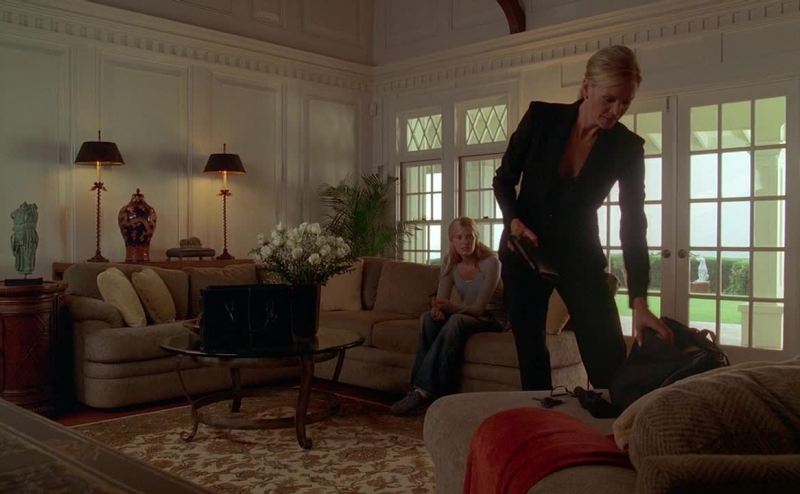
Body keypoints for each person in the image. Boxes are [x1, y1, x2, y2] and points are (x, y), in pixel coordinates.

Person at [493, 45, 673, 391]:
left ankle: (616, 423)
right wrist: (513, 221)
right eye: (610, 99)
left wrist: (639, 299)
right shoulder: (541, 118)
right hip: (524, 254)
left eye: (625, 103)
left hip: (580, 257)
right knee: (532, 362)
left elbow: (633, 224)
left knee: (609, 363)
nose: (616, 111)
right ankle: (543, 422)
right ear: (587, 87)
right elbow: (503, 180)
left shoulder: (627, 147)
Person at [390, 217, 502, 415]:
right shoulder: (450, 262)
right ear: (452, 241)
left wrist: (451, 307)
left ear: (476, 238)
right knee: (428, 319)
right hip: (467, 315)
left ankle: (422, 391)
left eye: (469, 236)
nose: (465, 242)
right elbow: (441, 300)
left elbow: (478, 309)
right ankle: (416, 389)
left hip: (491, 318)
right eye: (459, 237)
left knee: (456, 321)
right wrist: (438, 310)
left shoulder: (491, 263)